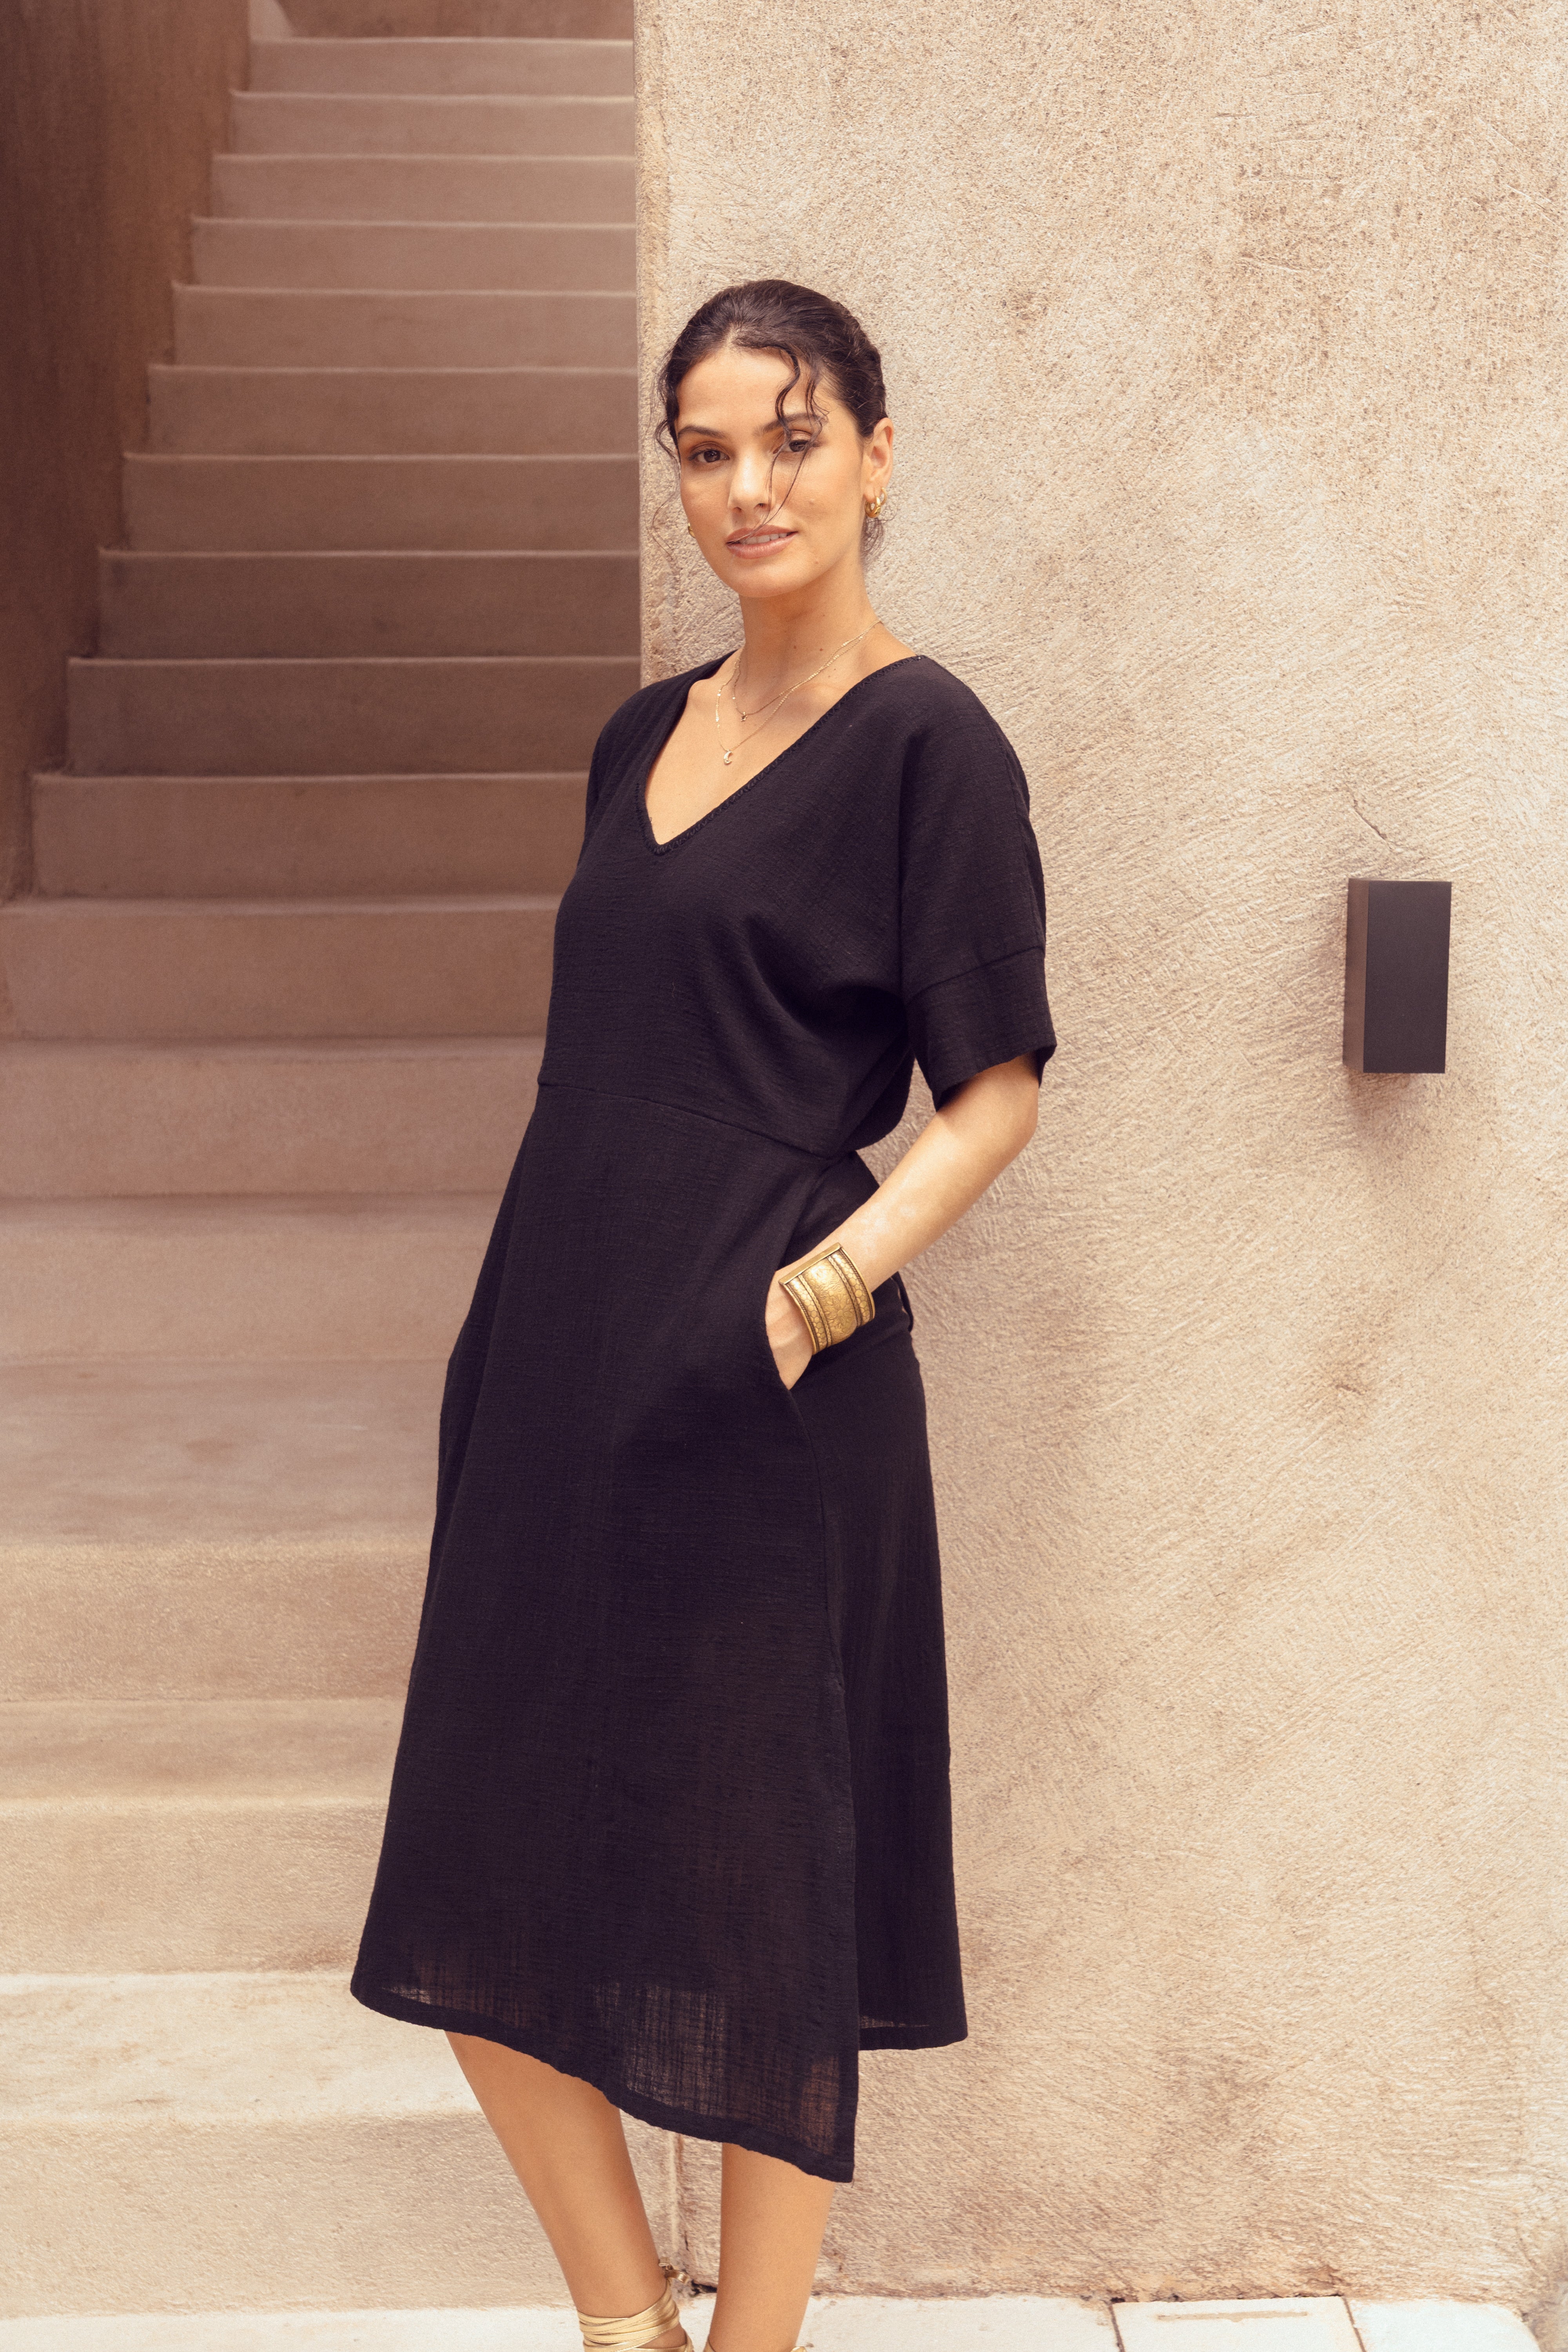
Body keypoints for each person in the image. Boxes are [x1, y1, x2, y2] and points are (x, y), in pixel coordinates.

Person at [352, 278, 1057, 2352]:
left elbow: (997, 1088)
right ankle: (623, 2325)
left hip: (770, 1398)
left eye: (794, 436)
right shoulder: (637, 735)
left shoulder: (935, 743)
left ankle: (753, 2343)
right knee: (473, 1865)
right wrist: (508, 1349)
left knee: (757, 1893)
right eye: (705, 446)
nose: (748, 484)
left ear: (877, 458)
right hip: (558, 1366)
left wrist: (817, 1295)